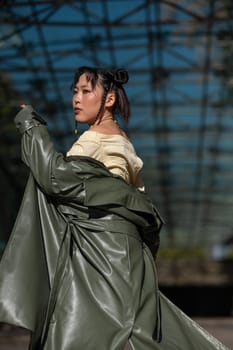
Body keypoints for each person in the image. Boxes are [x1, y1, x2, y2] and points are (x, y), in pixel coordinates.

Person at [0, 67, 229, 350]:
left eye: (86, 91)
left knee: (82, 334)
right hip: (122, 253)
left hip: (101, 251)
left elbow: (55, 177)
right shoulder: (121, 140)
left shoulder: (96, 139)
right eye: (75, 91)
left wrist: (30, 123)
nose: (76, 98)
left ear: (108, 100)